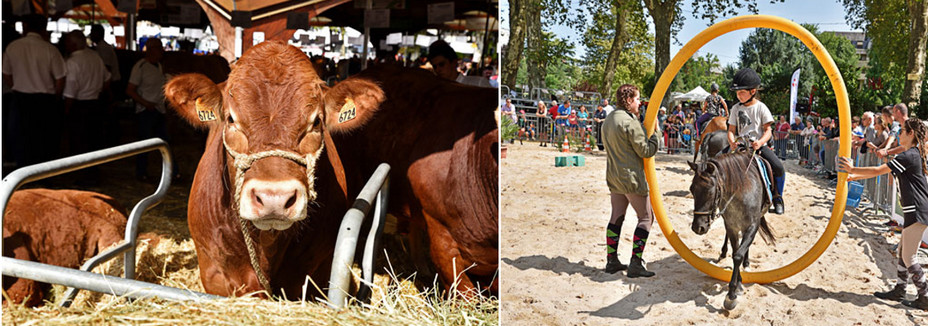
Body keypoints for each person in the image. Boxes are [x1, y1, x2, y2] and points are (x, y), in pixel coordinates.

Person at [839, 118, 928, 310]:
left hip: (918, 211)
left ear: (911, 134)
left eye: (902, 131)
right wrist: (855, 175)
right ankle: (900, 290)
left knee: (910, 256)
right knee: (903, 253)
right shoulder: (911, 154)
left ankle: (925, 296)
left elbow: (879, 170)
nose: (898, 134)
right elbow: (879, 171)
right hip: (915, 210)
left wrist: (852, 169)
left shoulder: (909, 156)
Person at [602, 84, 659, 277]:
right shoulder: (630, 121)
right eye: (636, 99)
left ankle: (611, 261)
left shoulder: (608, 119)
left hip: (614, 176)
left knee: (616, 216)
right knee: (646, 217)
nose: (639, 102)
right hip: (631, 178)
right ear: (628, 101)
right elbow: (646, 151)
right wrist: (656, 134)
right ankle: (636, 263)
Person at [2, 14, 67, 168]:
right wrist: (56, 97)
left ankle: (22, 173)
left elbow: (6, 73)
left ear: (25, 26)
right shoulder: (50, 49)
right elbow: (60, 79)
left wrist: (15, 86)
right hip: (45, 99)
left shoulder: (13, 47)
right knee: (43, 137)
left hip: (20, 97)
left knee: (21, 137)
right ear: (44, 28)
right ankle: (42, 173)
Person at [726, 68, 786, 215]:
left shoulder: (761, 107)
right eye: (737, 93)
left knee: (779, 168)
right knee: (717, 162)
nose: (738, 96)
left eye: (741, 92)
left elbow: (768, 131)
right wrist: (732, 141)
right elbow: (731, 130)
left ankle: (778, 198)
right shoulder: (735, 108)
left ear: (752, 91)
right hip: (740, 145)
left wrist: (760, 142)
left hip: (757, 146)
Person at [62, 31, 110, 184]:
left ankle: (82, 175)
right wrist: (98, 91)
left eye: (67, 42)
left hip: (79, 105)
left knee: (79, 141)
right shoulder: (95, 57)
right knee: (94, 140)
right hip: (95, 104)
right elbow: (107, 79)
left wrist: (67, 110)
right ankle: (93, 173)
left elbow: (70, 90)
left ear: (73, 44)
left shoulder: (72, 62)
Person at [127, 38, 171, 182]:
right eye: (159, 48)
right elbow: (130, 90)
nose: (162, 51)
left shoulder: (159, 66)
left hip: (159, 110)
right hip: (146, 111)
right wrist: (146, 103)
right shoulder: (140, 67)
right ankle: (141, 173)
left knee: (164, 143)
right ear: (151, 49)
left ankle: (171, 172)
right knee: (144, 144)